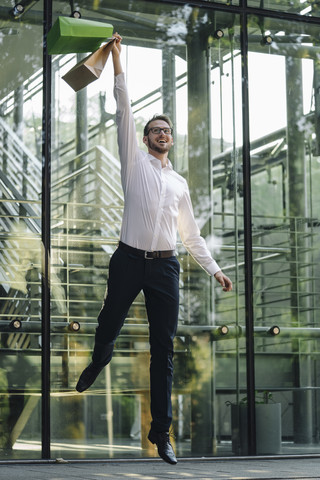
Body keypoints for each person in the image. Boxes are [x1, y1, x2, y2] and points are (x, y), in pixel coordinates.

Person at [76, 33, 233, 465]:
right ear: (144, 138)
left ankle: (161, 435)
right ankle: (99, 357)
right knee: (109, 318)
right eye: (155, 130)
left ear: (170, 140)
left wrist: (214, 269)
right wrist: (117, 58)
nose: (161, 134)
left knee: (164, 349)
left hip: (166, 269)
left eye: (166, 131)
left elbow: (192, 235)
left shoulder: (179, 183)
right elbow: (124, 102)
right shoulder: (133, 160)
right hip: (127, 259)